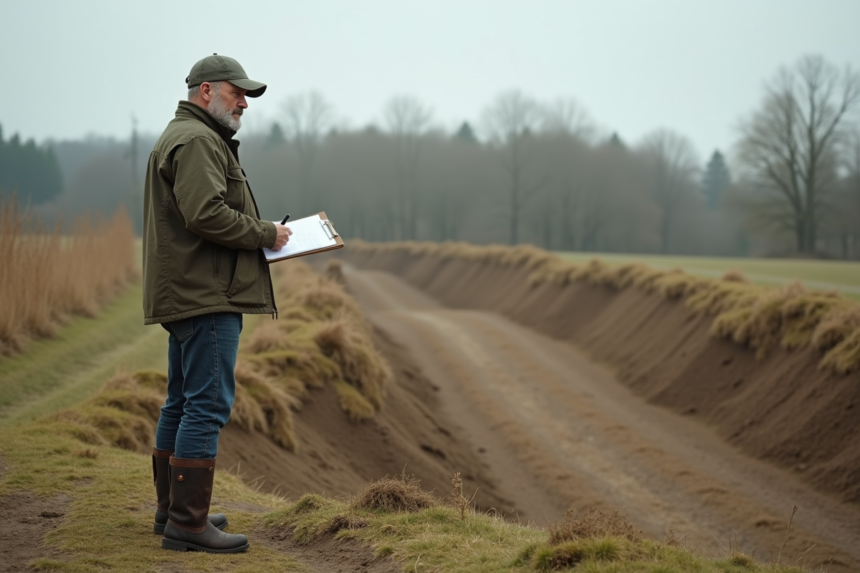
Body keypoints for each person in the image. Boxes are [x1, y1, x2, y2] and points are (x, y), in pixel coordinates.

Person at [142, 53, 292, 554]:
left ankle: (173, 512)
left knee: (181, 400)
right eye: (237, 92)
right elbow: (206, 213)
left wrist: (261, 232)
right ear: (206, 91)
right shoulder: (199, 140)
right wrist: (267, 233)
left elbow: (202, 211)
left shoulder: (183, 135)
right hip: (206, 294)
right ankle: (188, 523)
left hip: (190, 290)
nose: (244, 102)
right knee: (206, 404)